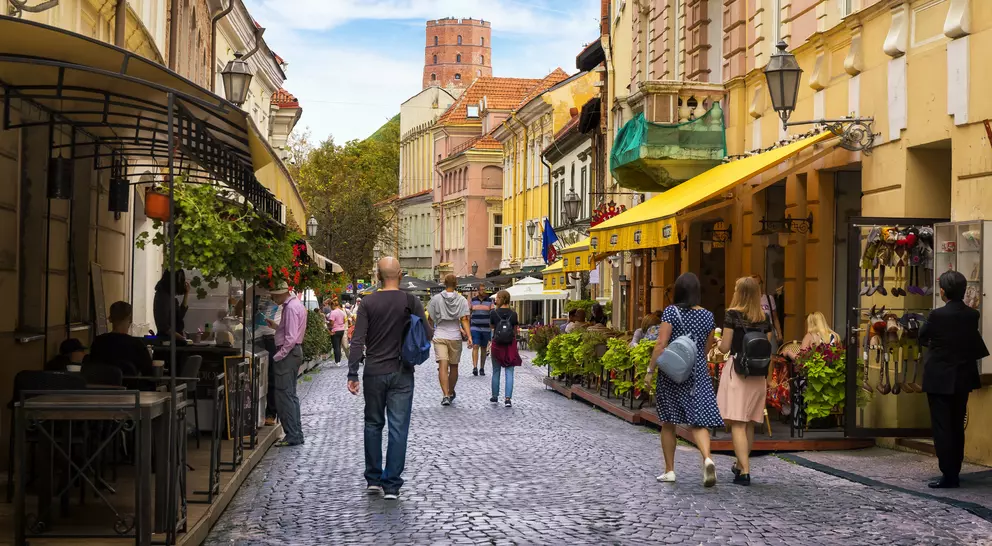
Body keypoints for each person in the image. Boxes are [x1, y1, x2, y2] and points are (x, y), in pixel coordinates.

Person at [347, 257, 431, 500]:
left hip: (374, 370)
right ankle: (392, 484)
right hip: (402, 371)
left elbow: (357, 340)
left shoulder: (368, 302)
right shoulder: (410, 300)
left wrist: (353, 372)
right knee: (398, 427)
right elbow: (427, 333)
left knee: (373, 424)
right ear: (401, 274)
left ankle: (373, 478)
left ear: (377, 276)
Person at [644, 272, 722, 487]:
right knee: (699, 422)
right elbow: (707, 347)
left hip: (672, 373)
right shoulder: (707, 316)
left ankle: (669, 470)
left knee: (668, 422)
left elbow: (661, 344)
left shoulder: (671, 312)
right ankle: (707, 458)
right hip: (697, 373)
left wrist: (650, 370)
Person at [919, 270, 988, 489]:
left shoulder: (937, 315)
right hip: (962, 377)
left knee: (942, 427)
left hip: (939, 378)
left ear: (942, 291)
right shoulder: (972, 315)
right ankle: (955, 470)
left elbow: (922, 337)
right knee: (957, 424)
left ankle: (948, 473)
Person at [716, 276, 773, 486]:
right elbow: (766, 348)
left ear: (739, 292)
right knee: (748, 422)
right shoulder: (764, 318)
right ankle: (740, 465)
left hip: (739, 371)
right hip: (758, 374)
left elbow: (725, 348)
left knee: (737, 424)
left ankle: (745, 471)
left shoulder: (732, 315)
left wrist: (717, 341)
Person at [268, 281, 308, 447]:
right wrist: (277, 327)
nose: (272, 298)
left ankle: (292, 435)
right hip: (293, 353)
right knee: (290, 395)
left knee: (284, 395)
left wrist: (279, 356)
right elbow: (292, 332)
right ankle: (295, 433)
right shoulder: (295, 305)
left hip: (288, 355)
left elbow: (291, 338)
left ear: (279, 293)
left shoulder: (290, 308)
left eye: (273, 295)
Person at [428, 274, 472, 406]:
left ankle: (445, 395)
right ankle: (451, 391)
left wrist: (431, 331)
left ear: (444, 283)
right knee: (454, 367)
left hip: (440, 334)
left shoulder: (435, 299)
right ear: (456, 284)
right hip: (455, 336)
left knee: (442, 365)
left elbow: (430, 318)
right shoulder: (462, 300)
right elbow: (464, 319)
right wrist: (469, 336)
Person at [90, 301, 154, 376]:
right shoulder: (137, 345)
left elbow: (91, 369)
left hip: (101, 386)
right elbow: (149, 374)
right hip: (130, 386)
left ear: (110, 319)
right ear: (129, 318)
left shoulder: (98, 342)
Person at [489, 290, 521, 407]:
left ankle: (495, 396)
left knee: (496, 371)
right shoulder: (514, 314)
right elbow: (515, 330)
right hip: (510, 345)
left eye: (497, 298)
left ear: (502, 299)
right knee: (509, 371)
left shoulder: (493, 313)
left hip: (497, 345)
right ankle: (508, 398)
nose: (495, 300)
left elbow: (492, 326)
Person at [153, 269, 189, 342]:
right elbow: (164, 327)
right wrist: (182, 339)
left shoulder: (168, 297)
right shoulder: (163, 297)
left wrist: (186, 294)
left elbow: (179, 316)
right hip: (167, 342)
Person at [469, 287, 494, 376]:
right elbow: (469, 313)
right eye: (481, 289)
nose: (483, 291)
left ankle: (482, 368)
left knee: (483, 348)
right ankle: (475, 367)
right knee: (475, 346)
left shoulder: (490, 301)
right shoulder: (473, 300)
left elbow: (492, 314)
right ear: (478, 291)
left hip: (486, 328)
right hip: (475, 327)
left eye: (484, 290)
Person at [751, 274, 782, 344]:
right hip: (755, 331)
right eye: (755, 284)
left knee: (772, 353)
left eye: (759, 283)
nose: (758, 286)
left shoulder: (769, 298)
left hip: (770, 330)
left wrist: (779, 333)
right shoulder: (749, 300)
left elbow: (775, 318)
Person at [327, 299, 347, 366]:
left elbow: (331, 323)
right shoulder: (341, 311)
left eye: (330, 306)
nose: (330, 308)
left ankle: (337, 361)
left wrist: (327, 324)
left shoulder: (333, 312)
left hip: (335, 330)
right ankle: (339, 360)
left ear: (332, 305)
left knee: (336, 346)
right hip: (342, 330)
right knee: (339, 345)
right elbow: (344, 321)